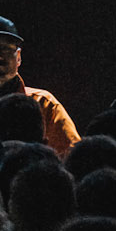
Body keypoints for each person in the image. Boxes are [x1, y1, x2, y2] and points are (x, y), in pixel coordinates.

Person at [0, 14, 80, 156]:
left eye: (5, 49)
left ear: (18, 57)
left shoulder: (44, 104)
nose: (0, 57)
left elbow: (73, 158)